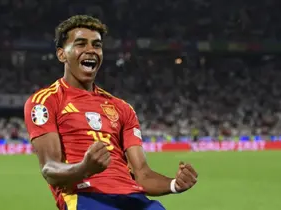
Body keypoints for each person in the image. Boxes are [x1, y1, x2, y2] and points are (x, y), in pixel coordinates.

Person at [24, 15, 198, 210]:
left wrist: (174, 184)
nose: (91, 50)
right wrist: (85, 168)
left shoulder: (122, 108)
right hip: (87, 197)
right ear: (62, 54)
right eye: (81, 44)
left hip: (134, 199)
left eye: (96, 45)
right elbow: (50, 169)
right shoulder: (45, 101)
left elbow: (142, 175)